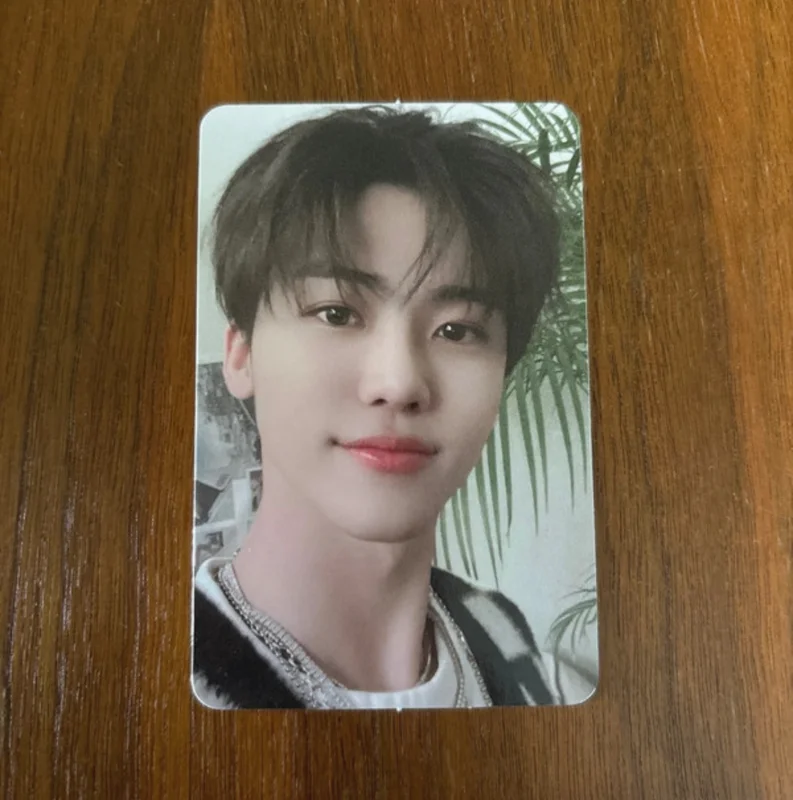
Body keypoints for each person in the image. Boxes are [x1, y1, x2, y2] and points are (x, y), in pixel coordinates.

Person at [192, 105, 570, 709]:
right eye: (337, 313)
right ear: (241, 355)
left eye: (457, 330)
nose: (398, 383)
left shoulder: (527, 662)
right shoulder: (158, 689)